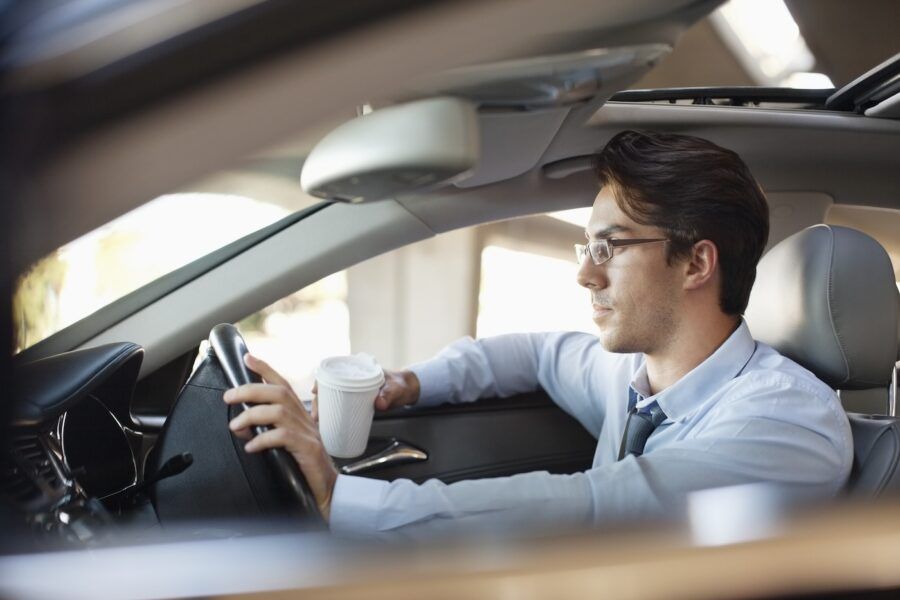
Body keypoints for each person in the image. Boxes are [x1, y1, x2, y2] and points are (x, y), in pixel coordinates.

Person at [223, 130, 853, 537]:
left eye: (610, 247)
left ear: (696, 263)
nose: (584, 273)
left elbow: (598, 507)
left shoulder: (785, 424)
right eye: (586, 246)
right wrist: (408, 383)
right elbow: (535, 354)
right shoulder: (636, 378)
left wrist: (342, 497)